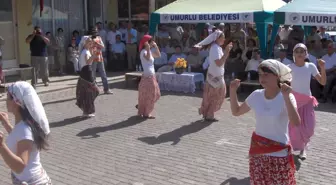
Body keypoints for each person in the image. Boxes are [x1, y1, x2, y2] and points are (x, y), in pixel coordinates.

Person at [229, 59, 300, 185]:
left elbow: (296, 123)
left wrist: (286, 97)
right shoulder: (256, 95)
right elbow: (236, 111)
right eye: (260, 74)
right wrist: (233, 91)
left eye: (266, 74)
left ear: (277, 76)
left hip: (279, 153)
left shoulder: (286, 96)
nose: (262, 78)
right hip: (258, 152)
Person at [0, 81, 52, 184]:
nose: (6, 101)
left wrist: (1, 146)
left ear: (16, 102)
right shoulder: (24, 124)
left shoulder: (24, 128)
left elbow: (20, 166)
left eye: (8, 97)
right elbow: (19, 138)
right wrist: (6, 124)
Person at [288, 43, 326, 160]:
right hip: (293, 101)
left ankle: (304, 148)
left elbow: (323, 82)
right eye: (297, 51)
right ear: (294, 54)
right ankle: (294, 148)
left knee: (308, 127)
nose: (299, 53)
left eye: (302, 51)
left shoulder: (310, 66)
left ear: (306, 54)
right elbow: (283, 84)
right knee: (293, 128)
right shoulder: (289, 67)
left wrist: (323, 68)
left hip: (307, 101)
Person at [195, 30, 233, 121]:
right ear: (217, 38)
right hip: (215, 74)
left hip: (217, 73)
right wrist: (227, 52)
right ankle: (208, 114)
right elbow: (219, 63)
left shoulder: (218, 48)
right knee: (216, 95)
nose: (224, 39)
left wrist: (226, 51)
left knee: (216, 95)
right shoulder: (215, 48)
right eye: (222, 37)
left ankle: (208, 113)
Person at [136, 35, 161, 119]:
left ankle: (142, 108)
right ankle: (146, 112)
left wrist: (156, 46)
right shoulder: (143, 52)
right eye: (150, 42)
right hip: (147, 76)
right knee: (149, 95)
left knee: (155, 94)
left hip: (152, 75)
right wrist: (147, 47)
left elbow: (158, 55)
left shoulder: (149, 51)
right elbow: (147, 58)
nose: (151, 44)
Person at [76, 38, 100, 118]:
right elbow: (88, 62)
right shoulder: (85, 52)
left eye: (91, 42)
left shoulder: (86, 51)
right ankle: (87, 111)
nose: (90, 43)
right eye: (88, 42)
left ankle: (86, 111)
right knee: (92, 91)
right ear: (85, 43)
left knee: (88, 92)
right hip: (86, 73)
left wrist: (93, 53)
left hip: (87, 72)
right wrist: (93, 55)